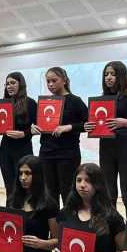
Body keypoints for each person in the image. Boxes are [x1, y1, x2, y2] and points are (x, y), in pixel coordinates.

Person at [51, 163, 124, 252]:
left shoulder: (112, 216)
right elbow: (60, 244)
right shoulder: (65, 213)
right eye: (79, 180)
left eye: (88, 181)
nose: (82, 185)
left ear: (98, 184)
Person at [84, 61, 127, 222]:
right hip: (106, 149)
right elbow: (96, 125)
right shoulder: (101, 99)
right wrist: (89, 126)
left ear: (121, 76)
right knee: (109, 193)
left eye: (113, 74)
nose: (109, 77)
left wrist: (126, 123)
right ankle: (113, 226)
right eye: (106, 74)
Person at [4, 155, 58, 252]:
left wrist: (42, 243)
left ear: (38, 175)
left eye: (28, 173)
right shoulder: (12, 200)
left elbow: (58, 240)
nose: (23, 177)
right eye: (20, 173)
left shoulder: (48, 204)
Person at [32, 67, 88, 205]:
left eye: (54, 80)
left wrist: (69, 127)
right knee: (49, 195)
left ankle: (69, 226)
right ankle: (54, 226)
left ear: (64, 80)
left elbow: (89, 124)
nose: (50, 84)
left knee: (68, 193)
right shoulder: (46, 102)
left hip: (67, 154)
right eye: (48, 81)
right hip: (46, 152)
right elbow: (37, 123)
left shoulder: (75, 101)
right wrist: (33, 127)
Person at [0, 72, 37, 200]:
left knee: (24, 186)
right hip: (5, 150)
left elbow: (40, 128)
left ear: (21, 84)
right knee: (9, 187)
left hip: (23, 150)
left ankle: (26, 216)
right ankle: (10, 215)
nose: (9, 86)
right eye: (7, 84)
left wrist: (24, 134)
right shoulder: (2, 104)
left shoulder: (30, 103)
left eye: (13, 83)